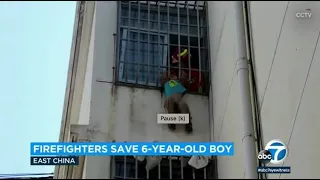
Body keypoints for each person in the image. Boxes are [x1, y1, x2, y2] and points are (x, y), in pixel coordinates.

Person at [160, 67, 193, 134]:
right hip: (170, 103)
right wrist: (169, 69)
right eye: (171, 76)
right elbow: (164, 76)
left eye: (174, 75)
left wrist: (178, 68)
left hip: (178, 102)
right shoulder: (166, 82)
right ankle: (171, 121)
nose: (173, 76)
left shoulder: (180, 83)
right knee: (169, 100)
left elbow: (184, 76)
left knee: (182, 104)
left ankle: (188, 123)